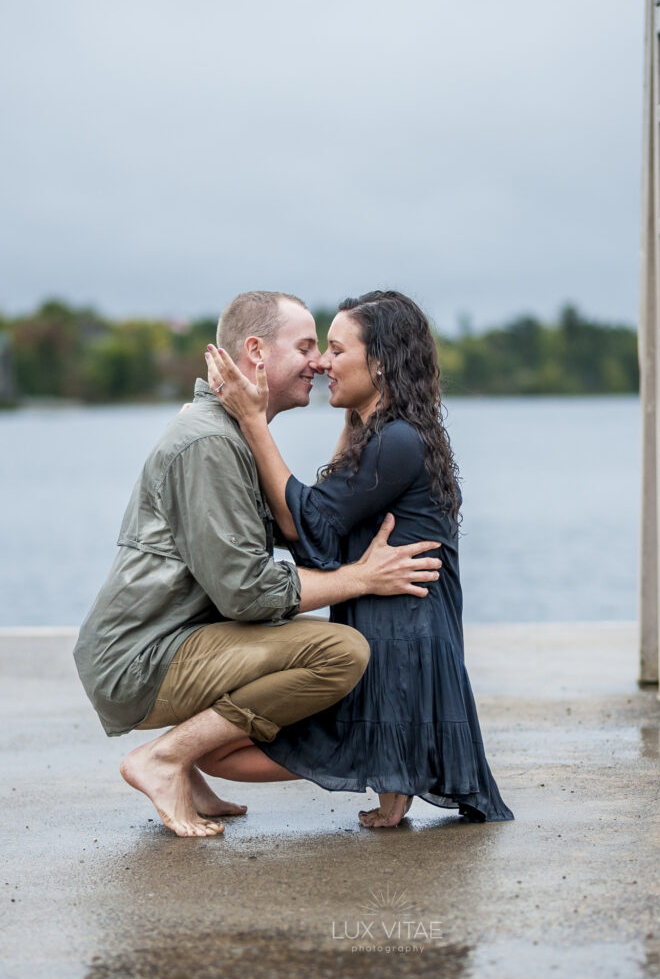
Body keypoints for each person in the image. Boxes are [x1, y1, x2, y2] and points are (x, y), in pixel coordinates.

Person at [74, 290, 443, 838]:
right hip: (138, 660)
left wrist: (353, 417)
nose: (318, 362)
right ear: (256, 352)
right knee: (339, 653)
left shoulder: (225, 435)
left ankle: (187, 770)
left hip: (167, 643)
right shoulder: (208, 443)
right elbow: (246, 593)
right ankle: (165, 758)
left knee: (302, 652)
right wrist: (360, 580)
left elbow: (305, 529)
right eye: (306, 346)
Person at [205, 290, 513, 826]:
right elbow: (319, 534)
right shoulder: (389, 433)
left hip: (399, 650)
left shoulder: (396, 440)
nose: (322, 362)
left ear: (380, 362)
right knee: (224, 751)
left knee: (219, 753)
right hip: (397, 640)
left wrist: (253, 421)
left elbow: (314, 526)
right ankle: (394, 781)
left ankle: (391, 774)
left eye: (335, 349)